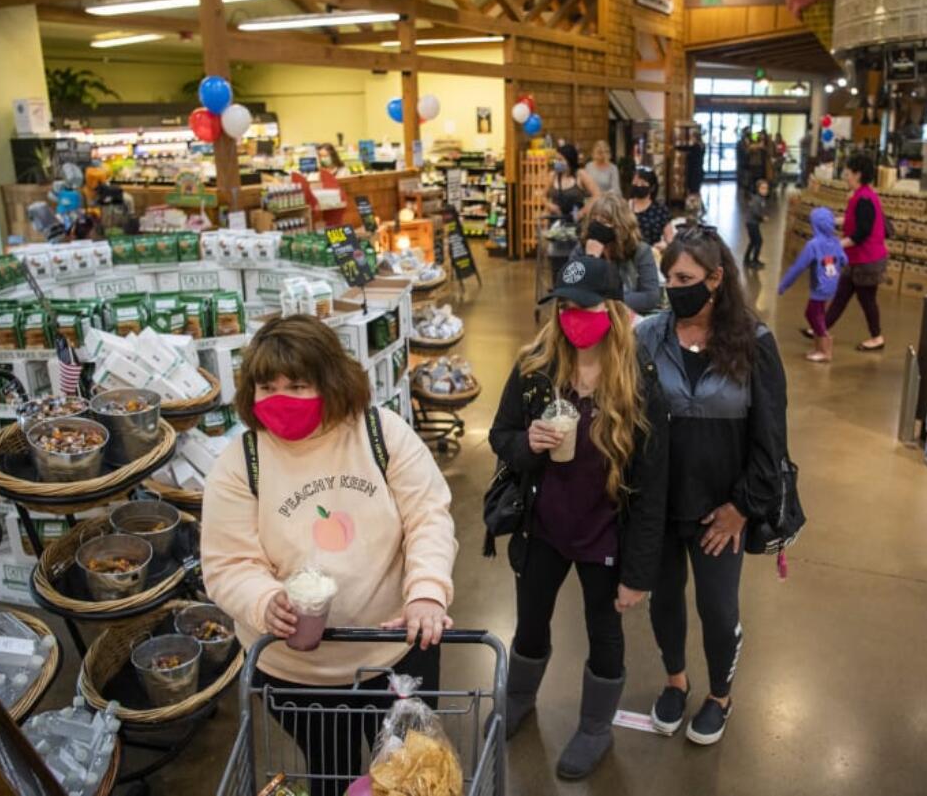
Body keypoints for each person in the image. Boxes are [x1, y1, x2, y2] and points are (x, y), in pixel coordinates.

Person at [202, 315, 458, 796]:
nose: (282, 398)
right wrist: (263, 600)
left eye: (299, 384)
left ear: (333, 381)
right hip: (295, 673)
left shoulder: (381, 434)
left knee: (408, 778)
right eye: (267, 386)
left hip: (394, 654)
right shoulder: (243, 462)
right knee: (332, 775)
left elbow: (429, 516)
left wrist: (426, 592)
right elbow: (227, 562)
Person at [490, 255, 669, 780]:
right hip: (543, 526)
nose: (571, 317)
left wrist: (638, 574)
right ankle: (519, 697)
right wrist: (528, 444)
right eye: (563, 307)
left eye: (583, 306)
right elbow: (501, 437)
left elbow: (653, 487)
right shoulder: (535, 369)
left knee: (604, 631)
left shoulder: (639, 382)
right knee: (530, 621)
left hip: (604, 531)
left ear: (611, 311)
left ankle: (595, 726)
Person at [636, 226, 788, 747]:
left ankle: (720, 695)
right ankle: (675, 682)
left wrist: (741, 508)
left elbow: (771, 440)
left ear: (716, 279)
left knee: (719, 610)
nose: (673, 288)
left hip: (721, 511)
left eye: (685, 278)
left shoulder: (753, 343)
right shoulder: (648, 337)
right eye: (668, 277)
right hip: (660, 504)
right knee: (665, 601)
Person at [807, 153, 887, 352]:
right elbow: (854, 221)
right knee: (841, 296)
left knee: (867, 300)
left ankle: (877, 337)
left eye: (848, 173)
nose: (846, 176)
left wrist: (835, 245)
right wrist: (833, 221)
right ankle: (820, 328)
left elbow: (861, 233)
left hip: (867, 260)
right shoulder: (861, 196)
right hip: (857, 259)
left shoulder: (865, 199)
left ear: (858, 174)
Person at [574, 191, 662, 314]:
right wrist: (591, 259)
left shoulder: (640, 251)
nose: (597, 226)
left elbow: (651, 297)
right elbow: (572, 291)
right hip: (591, 318)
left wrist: (608, 301)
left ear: (620, 225)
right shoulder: (582, 249)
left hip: (628, 319)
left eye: (604, 222)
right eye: (594, 220)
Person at [778, 207, 847, 363]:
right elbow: (844, 259)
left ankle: (825, 349)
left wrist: (784, 284)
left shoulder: (813, 245)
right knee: (819, 314)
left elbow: (798, 267)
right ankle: (818, 347)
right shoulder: (835, 241)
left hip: (819, 286)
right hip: (832, 283)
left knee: (812, 314)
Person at [546, 143, 598, 222]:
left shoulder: (581, 174)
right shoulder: (553, 175)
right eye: (556, 159)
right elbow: (542, 196)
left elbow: (597, 195)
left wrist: (582, 212)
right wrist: (549, 205)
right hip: (556, 224)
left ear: (569, 160)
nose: (556, 162)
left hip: (577, 223)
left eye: (560, 160)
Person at [629, 166, 671, 250]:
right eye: (635, 182)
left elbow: (670, 239)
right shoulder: (624, 207)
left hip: (652, 254)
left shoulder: (660, 209)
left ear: (652, 188)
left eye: (643, 183)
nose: (638, 185)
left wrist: (665, 245)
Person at [745, 178, 771, 269]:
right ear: (758, 189)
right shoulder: (756, 199)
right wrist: (763, 217)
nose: (765, 190)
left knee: (753, 242)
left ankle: (747, 259)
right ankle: (754, 260)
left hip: (752, 223)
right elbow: (755, 211)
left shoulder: (761, 199)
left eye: (766, 188)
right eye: (762, 188)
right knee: (758, 241)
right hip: (752, 223)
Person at [681, 128, 706, 196]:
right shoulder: (702, 145)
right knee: (696, 189)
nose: (692, 138)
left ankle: (693, 204)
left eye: (693, 137)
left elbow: (687, 149)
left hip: (694, 172)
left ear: (695, 138)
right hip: (699, 170)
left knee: (693, 189)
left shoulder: (696, 146)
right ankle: (695, 203)